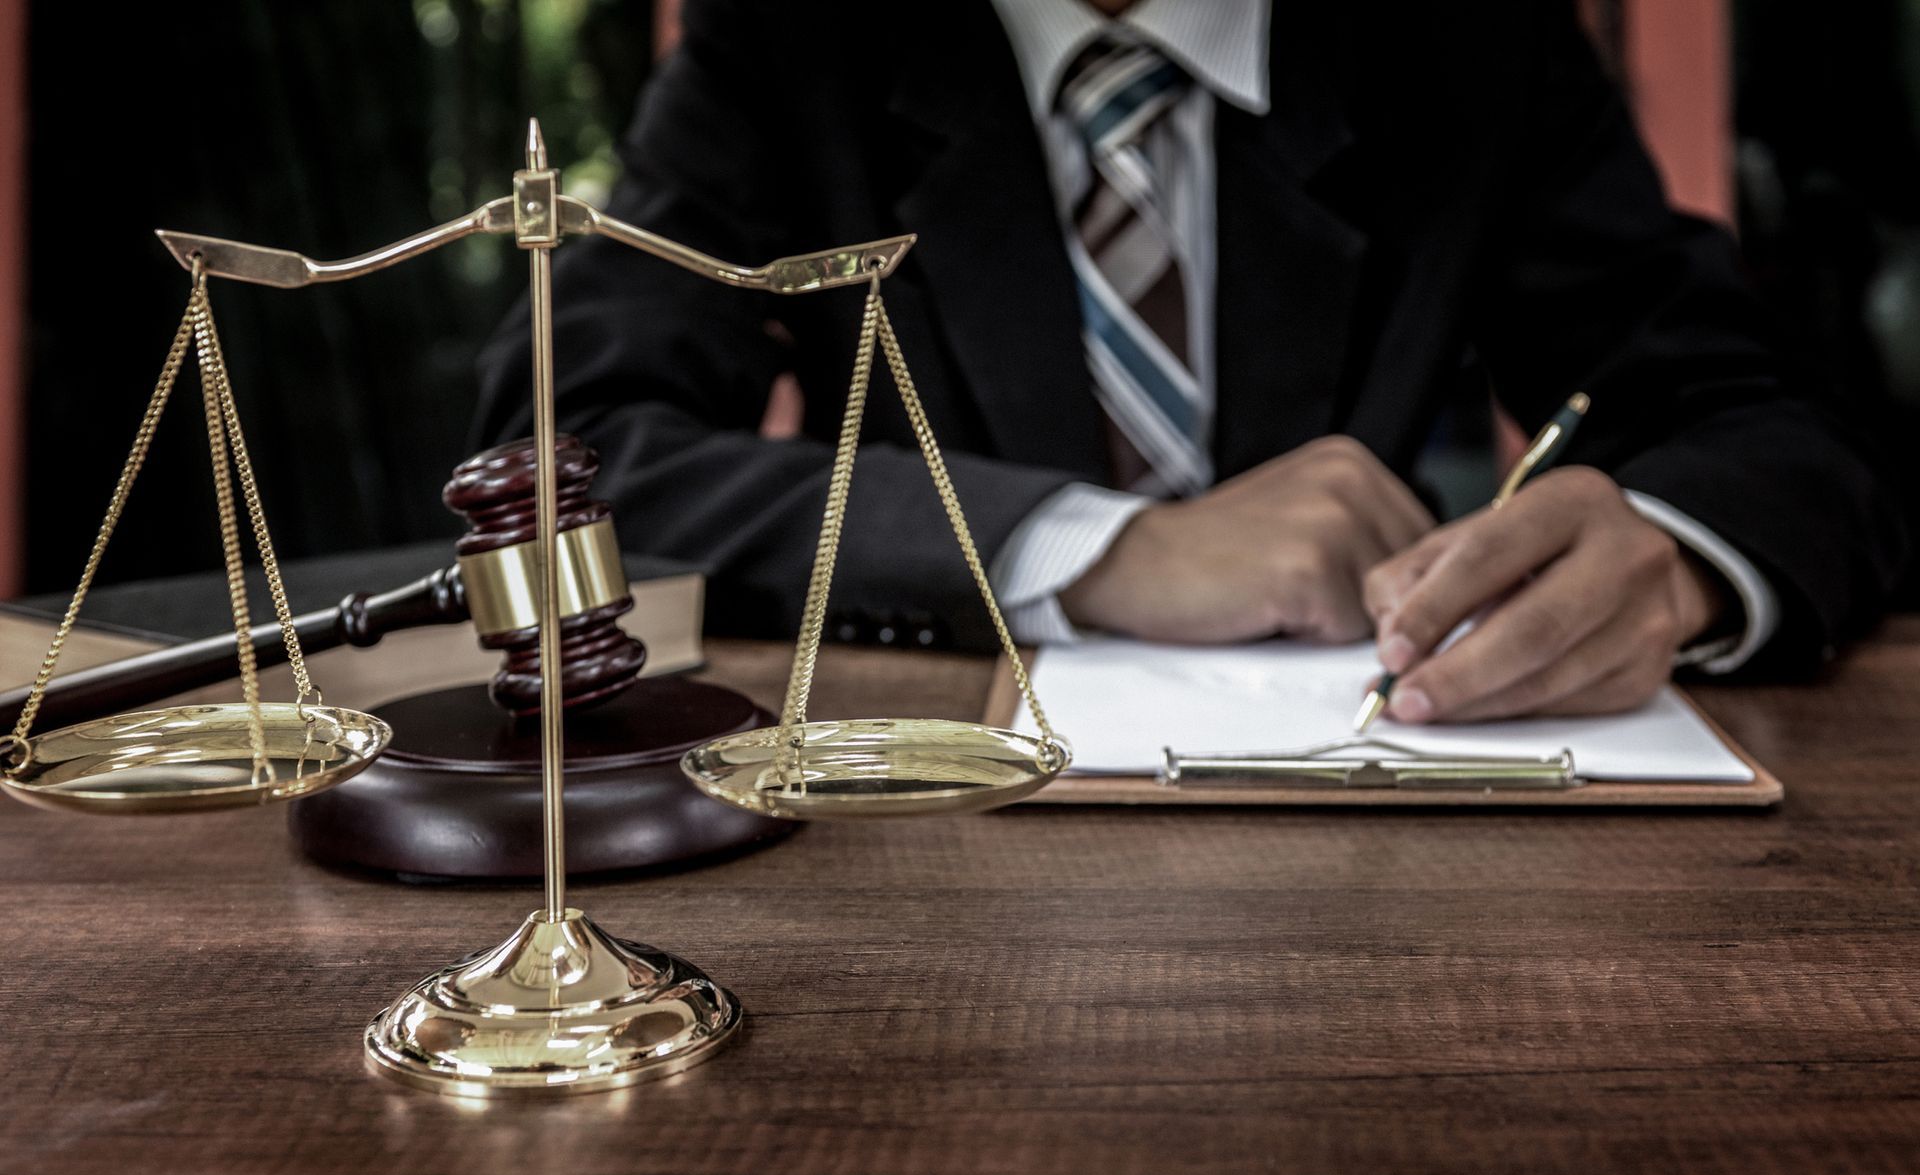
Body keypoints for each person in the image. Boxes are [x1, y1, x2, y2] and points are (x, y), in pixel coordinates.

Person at [473, 0, 1909, 724]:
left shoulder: (1461, 41)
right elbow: (569, 454)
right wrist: (1096, 547)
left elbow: (1766, 424)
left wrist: (1669, 561)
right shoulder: (794, 41)